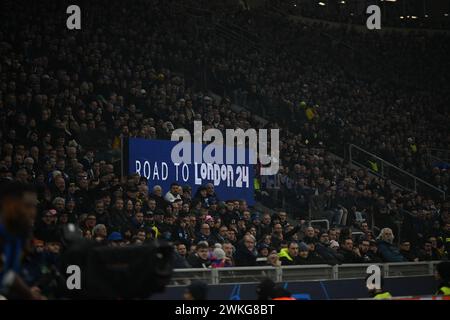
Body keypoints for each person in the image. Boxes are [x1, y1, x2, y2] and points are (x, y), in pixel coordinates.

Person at [0, 181, 42, 299]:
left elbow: (8, 275)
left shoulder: (16, 236)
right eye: (27, 206)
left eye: (34, 206)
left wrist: (30, 295)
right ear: (8, 204)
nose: (33, 213)